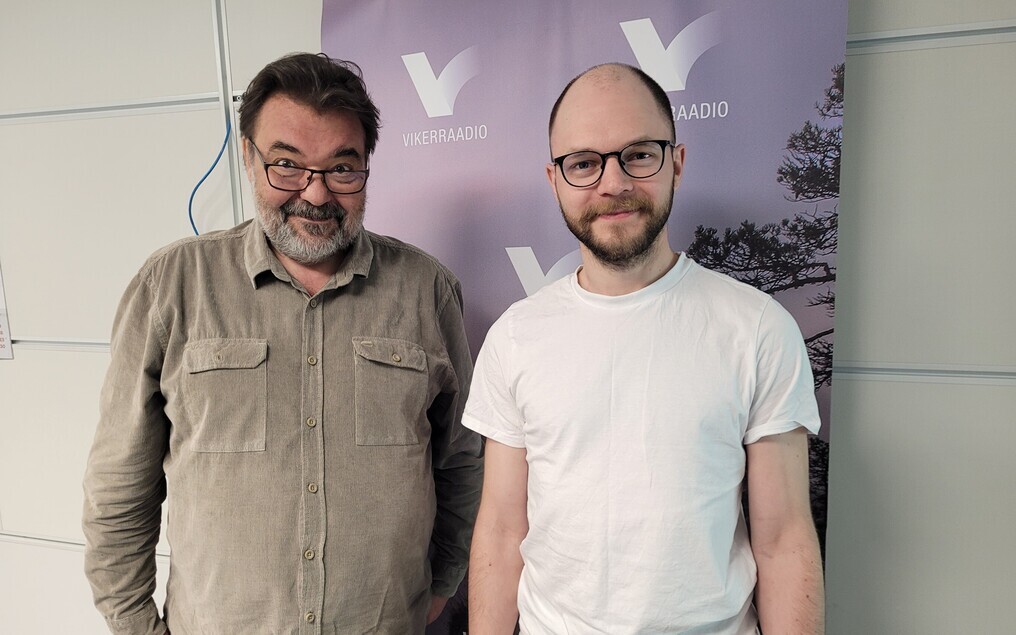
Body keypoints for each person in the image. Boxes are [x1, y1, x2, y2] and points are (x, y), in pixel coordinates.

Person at [82, 53, 483, 634]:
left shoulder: (428, 291)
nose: (315, 195)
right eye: (287, 165)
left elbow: (460, 463)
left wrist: (442, 584)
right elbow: (120, 483)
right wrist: (134, 622)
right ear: (249, 158)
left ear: (366, 167)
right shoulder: (171, 286)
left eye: (341, 168)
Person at [464, 63, 824, 634]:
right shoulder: (514, 337)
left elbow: (783, 541)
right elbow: (503, 531)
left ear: (675, 163)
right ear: (555, 179)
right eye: (584, 163)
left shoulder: (757, 329)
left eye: (637, 154)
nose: (612, 183)